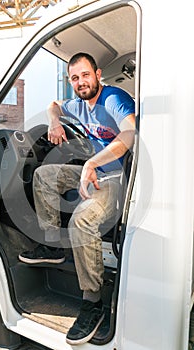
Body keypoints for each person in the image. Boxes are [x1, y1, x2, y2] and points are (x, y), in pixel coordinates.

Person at [19, 52, 135, 345]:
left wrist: (92, 163)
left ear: (97, 74)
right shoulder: (78, 104)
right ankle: (51, 246)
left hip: (116, 179)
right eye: (74, 78)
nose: (81, 82)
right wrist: (54, 122)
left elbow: (130, 135)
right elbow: (53, 104)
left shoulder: (113, 99)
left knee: (81, 221)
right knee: (44, 176)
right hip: (91, 173)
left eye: (85, 75)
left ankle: (92, 301)